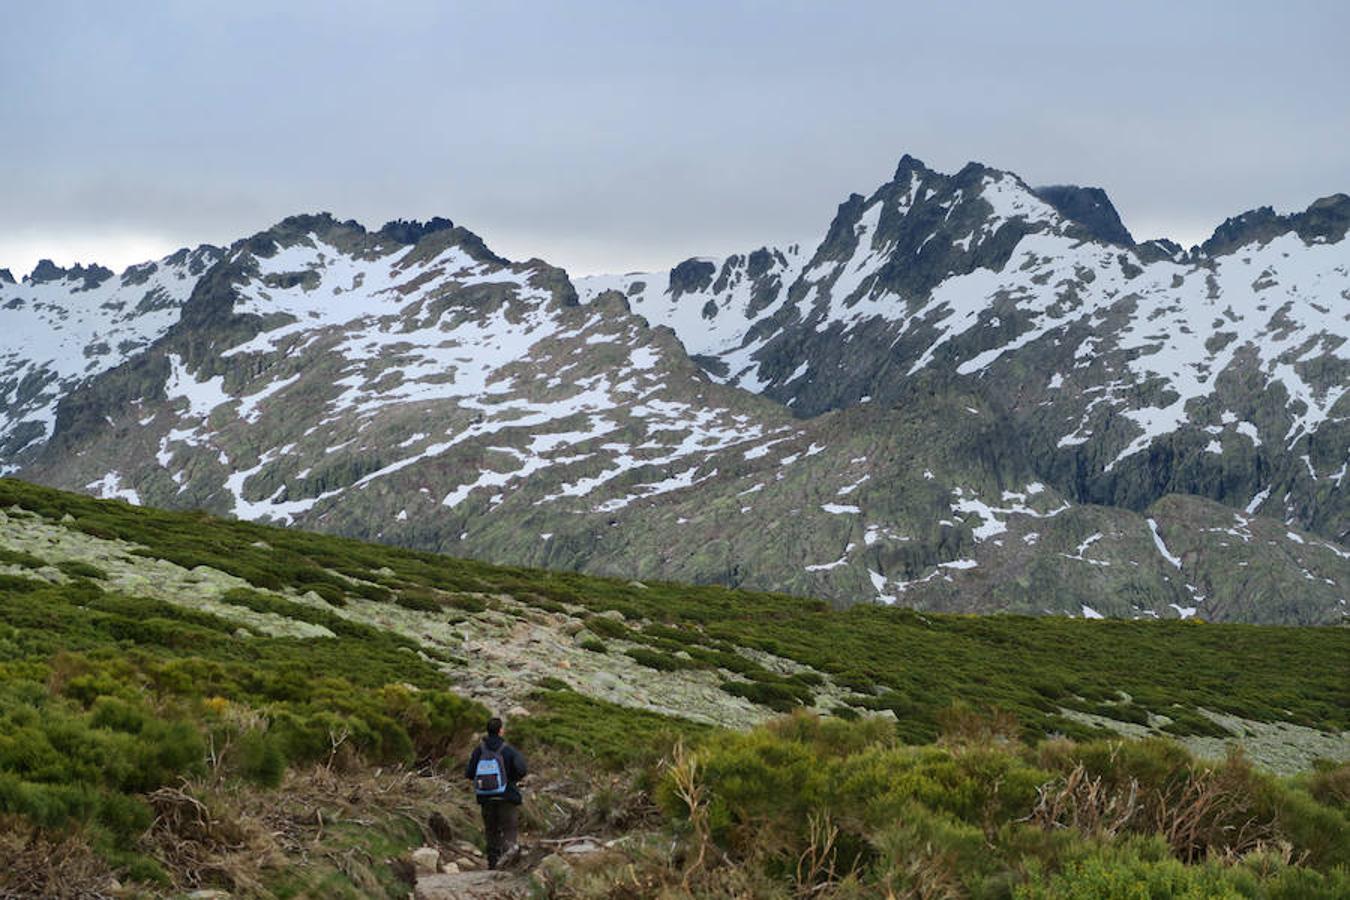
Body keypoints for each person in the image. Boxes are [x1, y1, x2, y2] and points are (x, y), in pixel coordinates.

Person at [464, 715, 528, 869]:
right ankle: (508, 863)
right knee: (509, 829)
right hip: (507, 796)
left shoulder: (479, 751)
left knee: (491, 830)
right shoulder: (508, 750)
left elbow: (469, 773)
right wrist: (511, 780)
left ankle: (492, 863)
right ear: (501, 731)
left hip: (486, 798)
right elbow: (521, 770)